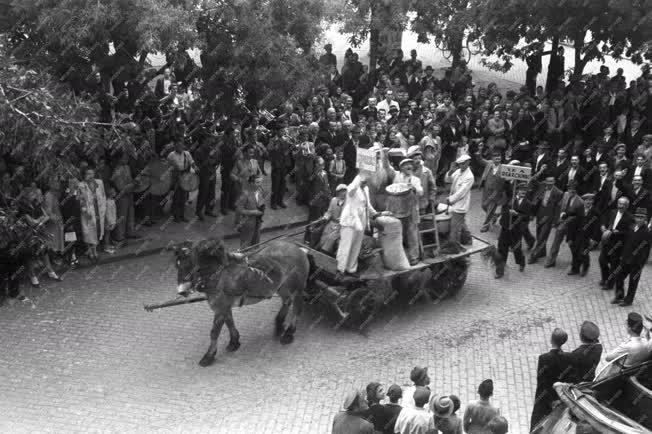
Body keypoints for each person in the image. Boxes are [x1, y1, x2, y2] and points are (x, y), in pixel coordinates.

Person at [336, 172, 380, 277]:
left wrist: (375, 214)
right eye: (363, 180)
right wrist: (360, 175)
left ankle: (351, 269)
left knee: (356, 245)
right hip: (350, 220)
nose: (365, 182)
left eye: (366, 181)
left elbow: (367, 205)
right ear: (359, 179)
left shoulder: (366, 189)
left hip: (361, 221)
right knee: (346, 245)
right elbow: (351, 191)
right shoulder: (352, 187)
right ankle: (340, 269)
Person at [530, 328, 572, 430]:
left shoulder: (543, 358)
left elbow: (542, 381)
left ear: (551, 340)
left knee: (537, 424)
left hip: (544, 398)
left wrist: (550, 399)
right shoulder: (569, 357)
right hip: (560, 396)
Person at [384, 157, 424, 265]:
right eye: (406, 165)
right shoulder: (396, 176)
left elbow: (421, 192)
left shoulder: (415, 180)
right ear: (401, 168)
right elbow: (387, 167)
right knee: (397, 233)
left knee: (412, 233)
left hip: (411, 210)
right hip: (397, 210)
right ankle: (399, 257)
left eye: (410, 164)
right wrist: (385, 154)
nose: (409, 166)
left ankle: (414, 257)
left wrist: (415, 189)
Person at [612, 207, 651, 306]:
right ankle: (619, 295)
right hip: (625, 259)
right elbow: (627, 243)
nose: (639, 219)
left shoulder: (646, 232)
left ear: (645, 219)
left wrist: (640, 264)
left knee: (633, 282)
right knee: (619, 276)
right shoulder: (632, 227)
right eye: (637, 217)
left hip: (636, 262)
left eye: (641, 218)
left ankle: (628, 300)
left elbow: (645, 250)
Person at [544, 180, 584, 268]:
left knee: (572, 245)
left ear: (576, 190)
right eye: (569, 188)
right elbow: (560, 206)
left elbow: (579, 218)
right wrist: (558, 219)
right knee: (556, 242)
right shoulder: (565, 195)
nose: (571, 191)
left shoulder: (580, 202)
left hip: (572, 227)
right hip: (562, 224)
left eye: (573, 189)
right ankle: (551, 260)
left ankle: (576, 262)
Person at [495, 183, 530, 278]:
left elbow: (527, 217)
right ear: (517, 190)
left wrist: (517, 214)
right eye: (521, 190)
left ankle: (521, 262)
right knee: (502, 249)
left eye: (525, 190)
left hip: (516, 230)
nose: (523, 192)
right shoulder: (511, 198)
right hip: (506, 227)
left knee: (516, 249)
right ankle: (500, 271)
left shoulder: (527, 203)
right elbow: (507, 188)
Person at [599, 196, 634, 290]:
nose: (621, 206)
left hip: (618, 245)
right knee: (602, 261)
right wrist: (603, 226)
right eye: (620, 204)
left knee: (614, 266)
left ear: (627, 206)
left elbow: (630, 233)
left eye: (624, 204)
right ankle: (604, 278)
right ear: (617, 204)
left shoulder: (630, 218)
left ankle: (609, 284)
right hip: (607, 242)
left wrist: (619, 232)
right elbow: (604, 221)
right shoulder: (612, 212)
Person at [444, 154, 474, 250]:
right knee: (460, 221)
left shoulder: (469, 177)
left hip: (461, 203)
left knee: (455, 227)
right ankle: (468, 238)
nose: (461, 165)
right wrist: (451, 171)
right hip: (455, 203)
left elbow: (461, 192)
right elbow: (448, 179)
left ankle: (454, 246)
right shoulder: (458, 171)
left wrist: (451, 199)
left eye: (463, 163)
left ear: (468, 162)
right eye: (460, 164)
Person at [529, 176, 563, 263]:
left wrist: (555, 221)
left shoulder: (558, 193)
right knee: (539, 234)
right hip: (540, 215)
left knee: (541, 237)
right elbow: (536, 201)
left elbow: (558, 208)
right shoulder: (542, 188)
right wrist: (533, 214)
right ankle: (542, 252)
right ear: (545, 182)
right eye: (548, 183)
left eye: (551, 183)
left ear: (554, 182)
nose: (549, 185)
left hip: (549, 218)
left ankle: (533, 256)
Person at [77, 166, 107, 262]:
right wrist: (85, 211)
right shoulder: (81, 185)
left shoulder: (99, 183)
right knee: (88, 232)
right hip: (87, 212)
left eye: (92, 173)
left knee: (97, 231)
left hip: (98, 210)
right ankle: (90, 251)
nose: (90, 176)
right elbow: (80, 200)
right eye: (88, 174)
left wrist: (103, 208)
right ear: (84, 175)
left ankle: (95, 250)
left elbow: (103, 196)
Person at [569, 194, 601, 276]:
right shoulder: (578, 209)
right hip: (577, 235)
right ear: (583, 201)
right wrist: (570, 237)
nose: (589, 202)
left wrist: (593, 239)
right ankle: (575, 269)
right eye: (587, 200)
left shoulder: (595, 211)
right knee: (575, 251)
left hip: (588, 236)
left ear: (593, 201)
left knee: (584, 252)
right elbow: (573, 223)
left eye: (591, 200)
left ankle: (585, 267)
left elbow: (597, 227)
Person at [110, 152, 140, 240]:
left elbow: (130, 180)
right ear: (119, 159)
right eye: (124, 157)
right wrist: (134, 183)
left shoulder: (127, 167)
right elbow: (121, 187)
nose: (126, 159)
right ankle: (119, 236)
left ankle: (130, 232)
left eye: (127, 157)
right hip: (121, 196)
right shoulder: (116, 170)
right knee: (122, 216)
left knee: (131, 213)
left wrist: (136, 182)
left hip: (130, 193)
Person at [475, 149, 507, 232]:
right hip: (486, 189)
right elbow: (480, 160)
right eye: (495, 157)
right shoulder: (489, 163)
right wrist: (479, 152)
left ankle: (485, 226)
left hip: (496, 191)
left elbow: (502, 183)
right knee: (483, 205)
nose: (497, 158)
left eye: (499, 157)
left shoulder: (503, 168)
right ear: (492, 158)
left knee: (490, 208)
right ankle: (494, 216)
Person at [167, 140, 196, 222]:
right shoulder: (171, 155)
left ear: (183, 146)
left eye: (180, 146)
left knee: (184, 197)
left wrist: (195, 168)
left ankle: (182, 215)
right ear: (175, 146)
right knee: (176, 197)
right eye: (177, 146)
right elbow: (167, 166)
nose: (179, 147)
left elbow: (192, 162)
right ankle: (175, 216)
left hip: (185, 177)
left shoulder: (187, 154)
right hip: (176, 178)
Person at [316, 185, 346, 254]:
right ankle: (319, 248)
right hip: (332, 223)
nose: (343, 193)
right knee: (324, 234)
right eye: (341, 192)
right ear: (338, 193)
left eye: (345, 191)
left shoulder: (348, 204)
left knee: (331, 238)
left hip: (341, 226)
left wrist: (342, 219)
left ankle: (324, 252)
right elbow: (329, 212)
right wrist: (325, 217)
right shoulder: (333, 200)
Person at [194, 136, 219, 220]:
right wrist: (207, 161)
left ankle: (209, 210)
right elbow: (197, 165)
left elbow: (216, 161)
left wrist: (214, 160)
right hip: (204, 174)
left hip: (212, 173)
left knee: (212, 193)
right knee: (203, 192)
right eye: (207, 141)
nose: (209, 143)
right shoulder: (198, 151)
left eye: (210, 141)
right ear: (203, 141)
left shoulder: (212, 149)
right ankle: (198, 211)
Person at [308, 157, 333, 222]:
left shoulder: (325, 173)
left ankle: (317, 231)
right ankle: (309, 231)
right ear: (316, 164)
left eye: (323, 163)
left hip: (324, 200)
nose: (323, 165)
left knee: (320, 218)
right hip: (315, 200)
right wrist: (316, 171)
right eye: (321, 163)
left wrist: (328, 195)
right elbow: (309, 181)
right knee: (313, 218)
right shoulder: (313, 174)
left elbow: (327, 185)